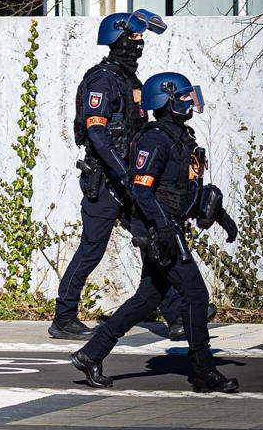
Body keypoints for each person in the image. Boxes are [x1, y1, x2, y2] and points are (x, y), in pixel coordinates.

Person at [71, 72, 239, 393]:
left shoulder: (179, 138)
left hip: (166, 226)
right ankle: (204, 372)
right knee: (196, 295)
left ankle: (90, 354)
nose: (189, 102)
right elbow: (141, 190)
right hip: (157, 230)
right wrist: (162, 228)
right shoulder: (155, 139)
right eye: (183, 97)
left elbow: (180, 192)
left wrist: (221, 216)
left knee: (147, 298)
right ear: (165, 100)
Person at [50, 10, 211, 340]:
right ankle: (64, 317)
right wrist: (122, 174)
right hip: (106, 182)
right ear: (117, 39)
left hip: (131, 180)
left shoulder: (130, 81)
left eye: (140, 37)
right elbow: (97, 133)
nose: (139, 43)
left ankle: (177, 315)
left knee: (153, 241)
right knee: (92, 248)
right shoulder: (102, 80)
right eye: (134, 37)